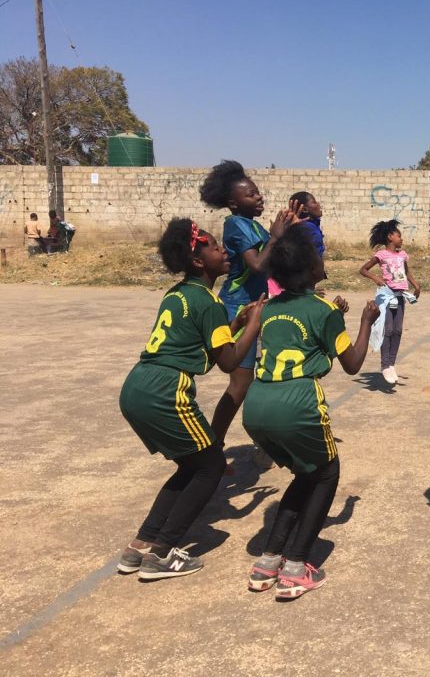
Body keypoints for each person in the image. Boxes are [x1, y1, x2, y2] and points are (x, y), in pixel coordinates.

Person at [117, 218, 265, 580]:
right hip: (166, 391)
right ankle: (163, 553)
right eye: (215, 247)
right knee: (211, 466)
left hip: (137, 385)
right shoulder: (209, 302)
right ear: (199, 261)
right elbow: (228, 361)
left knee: (191, 465)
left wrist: (236, 323)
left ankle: (140, 546)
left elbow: (203, 341)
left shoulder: (178, 294)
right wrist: (254, 325)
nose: (224, 251)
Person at [244, 225, 378, 599]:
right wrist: (366, 323)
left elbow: (303, 330)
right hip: (296, 404)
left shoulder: (272, 308)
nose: (323, 258)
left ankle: (267, 561)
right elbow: (352, 363)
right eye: (318, 255)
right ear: (307, 268)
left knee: (306, 473)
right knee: (326, 474)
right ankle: (296, 566)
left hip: (257, 405)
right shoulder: (322, 309)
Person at [198, 160, 297, 447]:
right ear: (233, 202)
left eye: (258, 193)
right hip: (238, 309)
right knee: (240, 384)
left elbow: (273, 259)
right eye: (251, 194)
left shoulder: (251, 226)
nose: (259, 197)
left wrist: (287, 231)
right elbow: (256, 265)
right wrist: (276, 236)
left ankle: (234, 442)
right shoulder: (236, 225)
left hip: (255, 307)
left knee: (251, 381)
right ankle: (213, 445)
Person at [360, 219, 421, 385]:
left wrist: (416, 286)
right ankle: (384, 365)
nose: (402, 239)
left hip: (400, 296)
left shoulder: (402, 255)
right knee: (387, 330)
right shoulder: (381, 255)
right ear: (390, 237)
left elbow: (406, 273)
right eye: (399, 235)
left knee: (398, 330)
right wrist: (376, 278)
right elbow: (363, 269)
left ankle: (392, 363)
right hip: (386, 296)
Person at [268, 191, 327, 297]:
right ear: (304, 209)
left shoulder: (311, 227)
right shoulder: (307, 229)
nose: (318, 204)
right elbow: (301, 260)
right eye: (314, 202)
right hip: (302, 281)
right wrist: (306, 291)